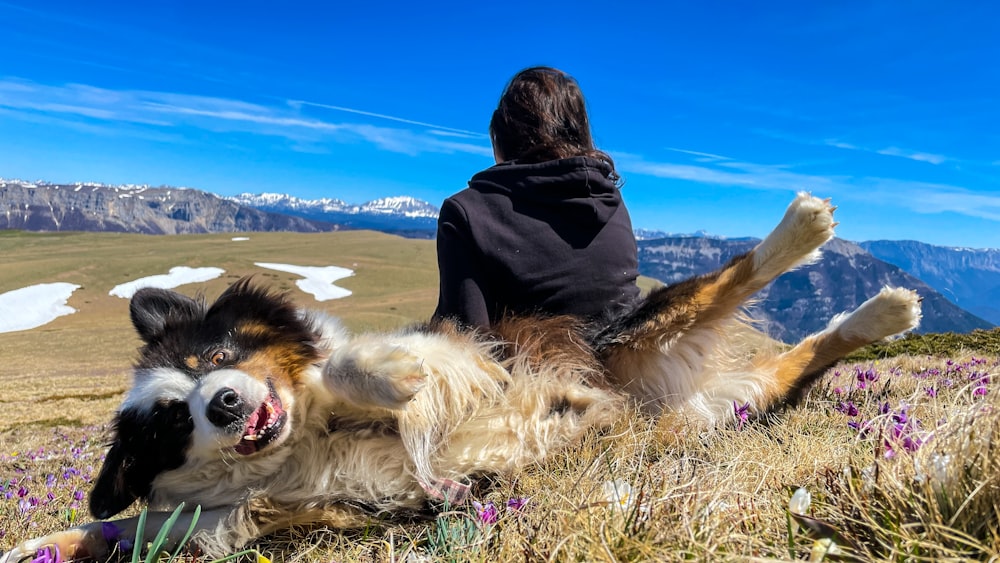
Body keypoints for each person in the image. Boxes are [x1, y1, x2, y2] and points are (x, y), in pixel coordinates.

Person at [433, 66, 641, 328]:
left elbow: (463, 343)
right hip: (626, 366)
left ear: (501, 135)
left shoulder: (466, 214)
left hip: (528, 367)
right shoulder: (613, 204)